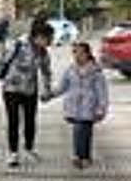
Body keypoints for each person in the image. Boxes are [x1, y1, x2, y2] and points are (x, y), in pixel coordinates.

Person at [0, 19, 54, 168]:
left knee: (30, 120)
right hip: (11, 89)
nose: (50, 42)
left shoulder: (43, 51)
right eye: (48, 38)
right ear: (38, 36)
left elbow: (46, 72)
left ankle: (29, 147)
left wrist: (47, 90)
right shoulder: (18, 45)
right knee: (13, 121)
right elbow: (0, 63)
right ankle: (13, 153)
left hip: (30, 90)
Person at [45, 41, 108, 169]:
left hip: (89, 107)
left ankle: (81, 156)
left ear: (87, 54)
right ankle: (82, 156)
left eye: (80, 53)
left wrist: (102, 108)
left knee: (83, 130)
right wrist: (50, 95)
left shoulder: (96, 71)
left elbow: (102, 91)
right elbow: (62, 87)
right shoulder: (70, 69)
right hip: (74, 106)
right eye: (74, 53)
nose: (77, 56)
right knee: (81, 130)